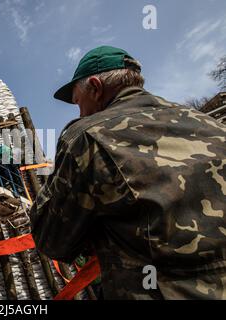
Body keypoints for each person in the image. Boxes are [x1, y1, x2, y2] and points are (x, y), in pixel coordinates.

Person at [30, 46, 226, 299]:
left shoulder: (89, 136)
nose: (79, 112)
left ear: (95, 87)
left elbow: (53, 240)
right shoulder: (210, 124)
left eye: (79, 102)